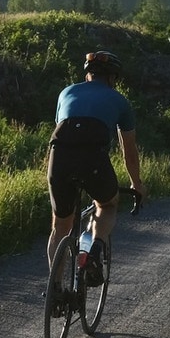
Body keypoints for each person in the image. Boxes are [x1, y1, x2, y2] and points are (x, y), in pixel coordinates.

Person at [46, 50, 146, 284]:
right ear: (112, 78)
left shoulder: (66, 92)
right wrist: (137, 184)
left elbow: (63, 131)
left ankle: (55, 289)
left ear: (87, 74)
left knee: (60, 225)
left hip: (59, 157)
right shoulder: (119, 100)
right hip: (93, 158)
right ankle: (95, 250)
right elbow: (129, 152)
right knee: (107, 204)